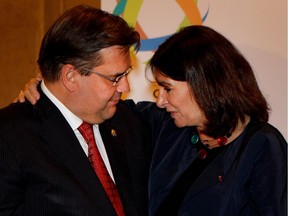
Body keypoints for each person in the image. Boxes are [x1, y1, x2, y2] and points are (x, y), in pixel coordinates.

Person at [17, 26, 287, 215]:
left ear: (205, 84)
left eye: (168, 88)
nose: (160, 101)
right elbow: (93, 104)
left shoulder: (262, 146)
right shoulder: (163, 125)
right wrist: (46, 87)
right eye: (158, 90)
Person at [0, 5, 150, 216]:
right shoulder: (9, 135)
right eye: (115, 78)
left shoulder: (128, 121)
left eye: (126, 74)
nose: (125, 87)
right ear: (70, 76)